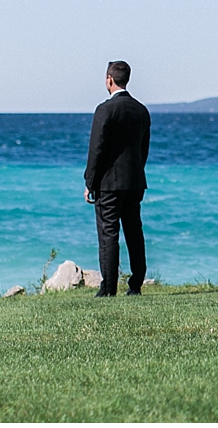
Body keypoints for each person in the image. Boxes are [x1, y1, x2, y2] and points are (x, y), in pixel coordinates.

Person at [84, 60, 151, 297]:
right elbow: (144, 149)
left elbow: (97, 149)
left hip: (109, 183)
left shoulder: (105, 110)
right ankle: (136, 285)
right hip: (134, 181)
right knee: (134, 232)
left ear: (109, 80)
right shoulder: (141, 110)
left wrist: (89, 181)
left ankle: (108, 288)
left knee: (108, 234)